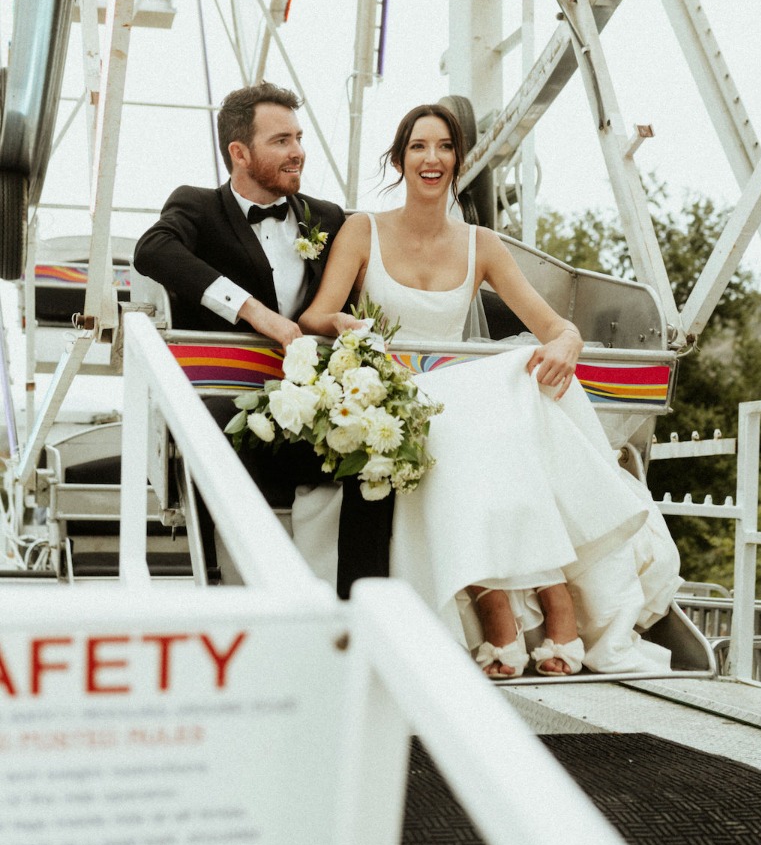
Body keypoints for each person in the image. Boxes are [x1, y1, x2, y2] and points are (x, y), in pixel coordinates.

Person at [299, 103, 682, 677]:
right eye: (419, 147)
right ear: (400, 159)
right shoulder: (363, 230)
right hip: (398, 393)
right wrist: (344, 326)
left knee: (500, 398)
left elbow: (557, 327)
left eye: (445, 148)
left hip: (462, 390)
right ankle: (523, 609)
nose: (432, 159)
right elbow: (315, 316)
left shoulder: (483, 244)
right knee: (475, 425)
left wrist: (565, 345)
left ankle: (539, 607)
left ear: (458, 161)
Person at [133, 82, 392, 595]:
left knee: (377, 456)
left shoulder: (329, 217)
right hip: (228, 406)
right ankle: (237, 599)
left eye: (298, 137)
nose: (297, 150)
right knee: (214, 438)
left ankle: (360, 604)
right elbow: (153, 250)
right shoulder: (198, 207)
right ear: (239, 152)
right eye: (281, 140)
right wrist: (254, 313)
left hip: (317, 404)